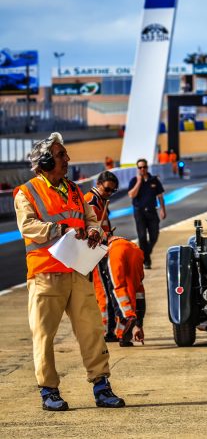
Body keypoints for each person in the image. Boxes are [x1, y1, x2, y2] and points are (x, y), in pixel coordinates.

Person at [14, 132, 125, 411]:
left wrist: (93, 230)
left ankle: (101, 386)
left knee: (92, 330)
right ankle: (49, 391)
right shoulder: (26, 192)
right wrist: (58, 230)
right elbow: (28, 226)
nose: (67, 159)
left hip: (77, 270)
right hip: (45, 273)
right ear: (46, 160)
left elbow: (91, 218)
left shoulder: (75, 189)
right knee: (44, 335)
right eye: (62, 155)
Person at [85, 171, 120, 341]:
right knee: (103, 293)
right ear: (99, 184)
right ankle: (106, 331)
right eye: (107, 189)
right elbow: (91, 229)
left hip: (101, 251)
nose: (110, 193)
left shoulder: (100, 200)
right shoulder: (92, 201)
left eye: (113, 191)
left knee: (105, 291)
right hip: (95, 253)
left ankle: (107, 328)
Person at [103, 236, 146, 347]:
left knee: (116, 287)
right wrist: (139, 325)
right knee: (135, 288)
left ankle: (127, 316)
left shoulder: (108, 247)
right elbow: (138, 292)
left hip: (116, 250)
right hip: (135, 250)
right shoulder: (130, 245)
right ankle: (123, 336)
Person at [127, 158, 165, 270]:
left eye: (144, 167)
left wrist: (163, 209)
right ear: (137, 169)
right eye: (140, 167)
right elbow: (131, 195)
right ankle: (147, 261)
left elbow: (160, 196)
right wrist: (139, 182)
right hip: (139, 212)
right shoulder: (134, 180)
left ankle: (143, 255)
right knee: (142, 236)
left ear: (147, 167)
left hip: (152, 211)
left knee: (154, 235)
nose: (142, 169)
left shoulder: (154, 180)